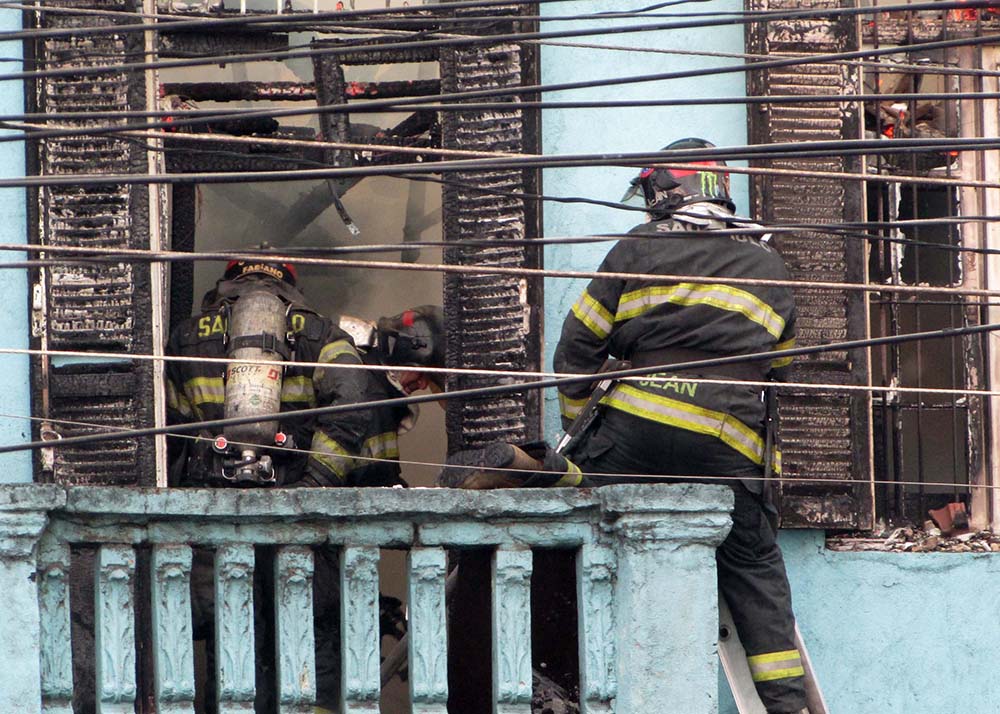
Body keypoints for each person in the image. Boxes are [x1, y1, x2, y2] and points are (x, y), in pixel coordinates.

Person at [440, 138, 807, 714]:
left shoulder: (637, 248)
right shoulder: (770, 264)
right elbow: (779, 369)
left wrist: (582, 439)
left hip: (635, 431)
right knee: (755, 569)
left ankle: (546, 674)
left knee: (572, 522)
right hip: (730, 447)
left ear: (665, 190)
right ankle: (786, 706)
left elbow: (577, 350)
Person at [165, 259, 444, 711]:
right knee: (313, 672)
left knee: (234, 669)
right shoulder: (317, 335)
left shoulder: (184, 339)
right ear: (290, 287)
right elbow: (351, 408)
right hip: (306, 550)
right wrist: (313, 485)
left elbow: (171, 443)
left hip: (223, 545)